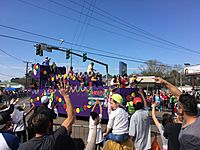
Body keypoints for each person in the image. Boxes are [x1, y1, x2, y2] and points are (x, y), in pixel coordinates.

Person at [19, 81, 76, 150]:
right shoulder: (54, 140)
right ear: (49, 125)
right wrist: (65, 96)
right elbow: (70, 117)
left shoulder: (23, 147)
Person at [155, 77, 200, 150]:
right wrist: (164, 82)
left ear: (181, 110)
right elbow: (178, 95)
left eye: (178, 105)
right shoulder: (197, 113)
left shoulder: (188, 136)